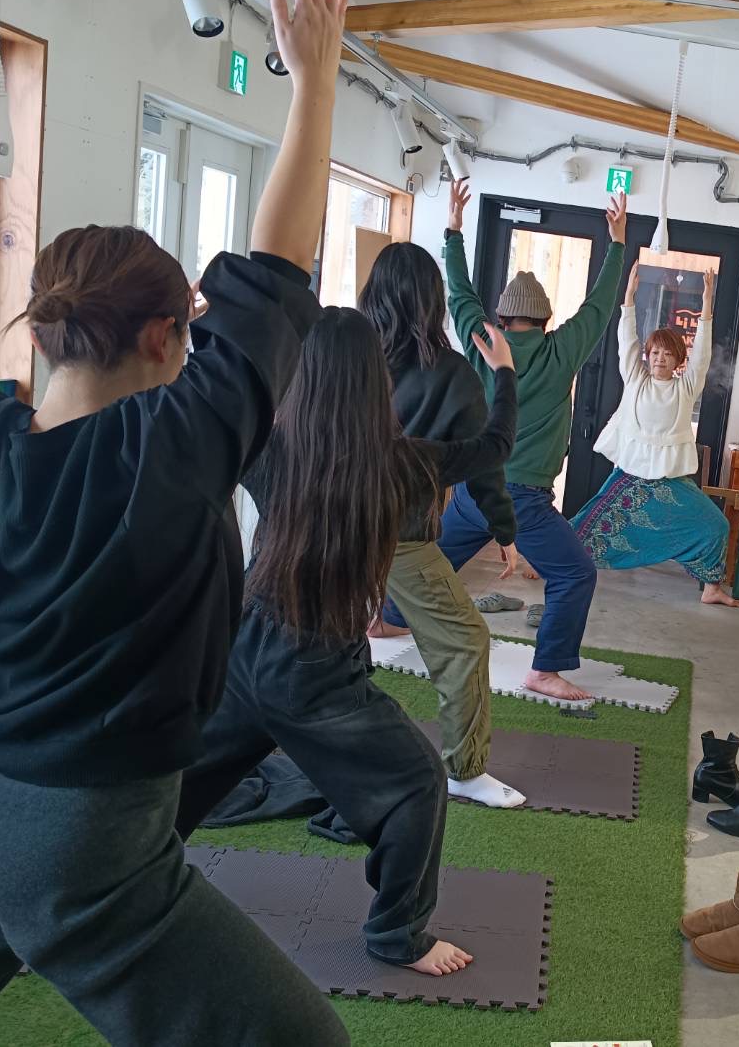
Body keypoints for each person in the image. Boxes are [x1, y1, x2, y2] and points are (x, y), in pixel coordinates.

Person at [0, 0, 350, 1042]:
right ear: (167, 338)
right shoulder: (173, 446)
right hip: (80, 840)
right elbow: (278, 267)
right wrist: (313, 80)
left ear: (44, 327)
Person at [173, 308, 519, 976]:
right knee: (420, 782)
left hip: (242, 653)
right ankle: (398, 935)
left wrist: (195, 331)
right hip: (314, 676)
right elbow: (497, 444)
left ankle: (107, 890)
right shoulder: (407, 464)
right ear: (376, 382)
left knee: (175, 785)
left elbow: (200, 400)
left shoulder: (268, 447)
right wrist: (503, 372)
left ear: (300, 376)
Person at [435, 180, 628, 703]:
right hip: (521, 500)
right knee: (575, 574)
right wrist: (617, 244)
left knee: (429, 565)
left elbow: (459, 293)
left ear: (501, 318)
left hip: (471, 490)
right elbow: (599, 307)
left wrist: (453, 231)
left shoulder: (482, 341)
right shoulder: (560, 350)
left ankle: (385, 619)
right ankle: (545, 670)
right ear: (545, 320)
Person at [358, 242, 526, 809]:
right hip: (400, 535)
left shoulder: (348, 355)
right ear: (433, 302)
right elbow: (488, 456)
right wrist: (504, 530)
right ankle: (466, 771)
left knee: (315, 640)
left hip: (326, 525)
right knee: (465, 640)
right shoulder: (453, 374)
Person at [571, 264, 739, 606]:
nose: (660, 358)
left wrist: (707, 305)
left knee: (716, 525)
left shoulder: (685, 388)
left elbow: (702, 356)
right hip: (631, 475)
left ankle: (711, 588)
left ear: (678, 359)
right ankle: (547, 559)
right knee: (587, 523)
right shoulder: (636, 379)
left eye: (668, 353)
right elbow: (626, 342)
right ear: (648, 356)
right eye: (655, 352)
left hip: (668, 479)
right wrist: (628, 299)